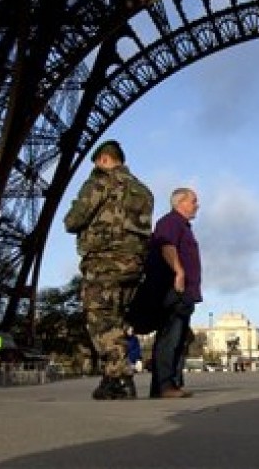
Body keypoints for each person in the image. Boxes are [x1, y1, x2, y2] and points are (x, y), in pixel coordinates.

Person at [63, 139, 154, 400]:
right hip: (134, 266)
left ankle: (121, 378)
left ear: (104, 159)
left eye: (97, 164)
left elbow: (73, 221)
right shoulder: (144, 191)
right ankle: (112, 378)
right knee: (117, 321)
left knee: (100, 320)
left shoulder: (99, 184)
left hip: (104, 264)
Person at [146, 188, 202, 399]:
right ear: (180, 202)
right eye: (194, 201)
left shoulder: (183, 225)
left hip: (185, 291)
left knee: (178, 340)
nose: (197, 205)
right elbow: (167, 246)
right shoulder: (171, 222)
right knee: (170, 338)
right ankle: (164, 385)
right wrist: (178, 271)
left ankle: (171, 384)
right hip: (174, 290)